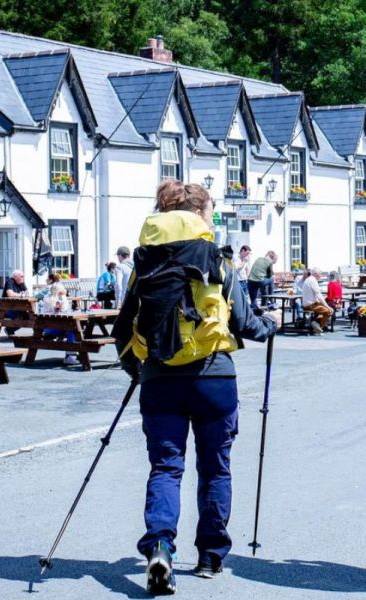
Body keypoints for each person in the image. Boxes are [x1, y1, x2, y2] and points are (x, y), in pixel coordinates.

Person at [112, 180, 279, 595]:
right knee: (215, 467)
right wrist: (270, 325)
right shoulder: (218, 261)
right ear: (201, 214)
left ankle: (161, 548)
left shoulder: (144, 265)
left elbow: (123, 328)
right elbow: (243, 322)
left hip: (159, 379)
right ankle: (210, 556)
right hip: (214, 378)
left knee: (166, 467)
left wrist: (138, 367)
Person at [33, 272, 79, 366]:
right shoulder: (60, 300)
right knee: (72, 329)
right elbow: (64, 312)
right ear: (60, 291)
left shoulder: (46, 298)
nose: (65, 292)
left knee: (71, 329)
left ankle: (72, 355)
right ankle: (71, 356)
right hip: (53, 329)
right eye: (64, 291)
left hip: (46, 327)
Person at [301, 268, 333, 335]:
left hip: (306, 304)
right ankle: (318, 325)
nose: (321, 275)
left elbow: (316, 296)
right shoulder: (312, 281)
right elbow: (319, 295)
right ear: (315, 274)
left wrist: (322, 303)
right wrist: (327, 306)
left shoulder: (309, 279)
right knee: (329, 311)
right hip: (311, 305)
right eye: (320, 274)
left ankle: (315, 323)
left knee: (322, 309)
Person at [1, 270, 28, 335]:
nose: (23, 277)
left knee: (28, 317)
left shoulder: (21, 283)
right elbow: (10, 294)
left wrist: (23, 291)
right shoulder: (10, 281)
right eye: (21, 276)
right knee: (20, 317)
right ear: (15, 277)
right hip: (8, 308)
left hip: (18, 308)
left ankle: (10, 329)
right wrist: (21, 295)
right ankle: (10, 329)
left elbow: (27, 294)